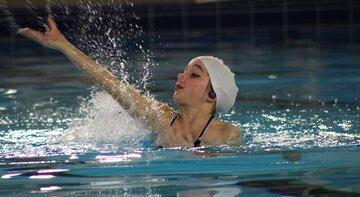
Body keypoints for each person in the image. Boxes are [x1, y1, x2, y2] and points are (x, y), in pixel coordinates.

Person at [19, 17, 242, 148]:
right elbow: (112, 84)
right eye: (183, 72)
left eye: (194, 75)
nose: (180, 77)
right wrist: (63, 45)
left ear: (212, 95)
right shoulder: (162, 119)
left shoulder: (227, 134)